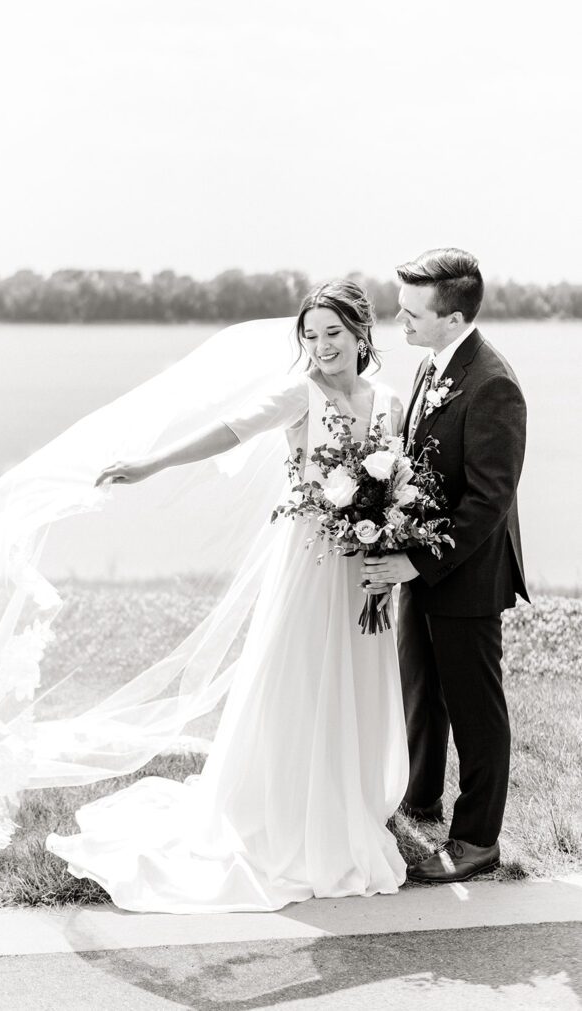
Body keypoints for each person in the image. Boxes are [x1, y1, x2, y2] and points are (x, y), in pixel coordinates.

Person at [45, 279, 410, 913]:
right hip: (310, 561)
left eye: (334, 334)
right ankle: (285, 813)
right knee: (297, 677)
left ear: (361, 336)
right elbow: (229, 431)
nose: (321, 347)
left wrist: (388, 544)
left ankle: (345, 805)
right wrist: (153, 462)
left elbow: (400, 477)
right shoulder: (300, 393)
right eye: (311, 335)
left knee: (358, 679)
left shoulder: (389, 399)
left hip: (366, 566)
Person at [362, 248, 528, 883]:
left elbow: (489, 501)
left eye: (411, 312)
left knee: (474, 709)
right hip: (422, 563)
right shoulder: (435, 364)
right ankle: (420, 798)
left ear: (453, 316)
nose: (398, 320)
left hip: (467, 574)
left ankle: (477, 840)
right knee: (419, 690)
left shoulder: (493, 385)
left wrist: (413, 563)